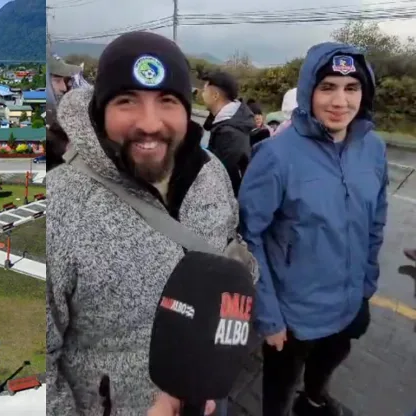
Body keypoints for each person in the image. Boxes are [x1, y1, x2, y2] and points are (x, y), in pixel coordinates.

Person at [47, 31, 239, 416]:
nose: (149, 124)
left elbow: (230, 248)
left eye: (167, 101)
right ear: (100, 111)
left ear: (187, 110)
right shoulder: (58, 205)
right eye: (127, 101)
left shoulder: (212, 176)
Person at [238, 42, 388, 416]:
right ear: (308, 91)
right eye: (328, 87)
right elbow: (247, 238)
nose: (340, 101)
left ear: (364, 94)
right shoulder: (276, 156)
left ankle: (315, 398)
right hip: (293, 315)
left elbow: (376, 220)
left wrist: (367, 284)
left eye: (351, 88)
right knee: (280, 386)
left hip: (350, 301)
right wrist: (269, 316)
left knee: (333, 356)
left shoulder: (373, 149)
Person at [201, 71, 255, 197]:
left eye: (204, 90)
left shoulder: (231, 132)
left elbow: (217, 173)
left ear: (215, 95)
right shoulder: (226, 123)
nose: (202, 94)